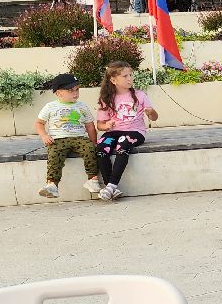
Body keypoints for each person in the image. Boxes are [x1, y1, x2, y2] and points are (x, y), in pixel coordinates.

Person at [94, 61, 158, 200]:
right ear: (113, 80)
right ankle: (110, 187)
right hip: (113, 132)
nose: (129, 78)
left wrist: (151, 112)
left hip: (134, 132)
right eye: (125, 76)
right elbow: (100, 125)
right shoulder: (106, 99)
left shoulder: (140, 95)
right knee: (101, 147)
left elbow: (154, 118)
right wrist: (107, 126)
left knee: (122, 143)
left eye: (130, 75)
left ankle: (110, 186)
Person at [34, 73, 101, 200]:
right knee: (54, 154)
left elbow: (90, 126)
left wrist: (94, 142)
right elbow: (39, 123)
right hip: (58, 139)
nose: (75, 93)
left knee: (90, 150)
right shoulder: (50, 106)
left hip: (79, 137)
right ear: (58, 93)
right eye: (70, 90)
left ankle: (92, 179)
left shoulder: (82, 106)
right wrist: (44, 135)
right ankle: (52, 184)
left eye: (77, 89)